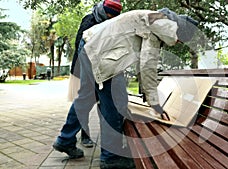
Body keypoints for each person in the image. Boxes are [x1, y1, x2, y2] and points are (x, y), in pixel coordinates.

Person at [74, 8, 199, 168]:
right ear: (178, 30)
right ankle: (110, 159)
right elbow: (147, 66)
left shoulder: (155, 19)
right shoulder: (158, 26)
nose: (177, 43)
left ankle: (76, 142)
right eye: (180, 40)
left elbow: (143, 64)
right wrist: (155, 103)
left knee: (115, 99)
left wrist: (149, 97)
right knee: (114, 106)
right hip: (99, 52)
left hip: (94, 46)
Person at [52, 0, 122, 159]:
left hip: (98, 64)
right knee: (100, 101)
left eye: (115, 15)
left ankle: (65, 139)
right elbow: (81, 45)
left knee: (85, 99)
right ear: (104, 10)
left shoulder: (111, 22)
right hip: (86, 65)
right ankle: (108, 153)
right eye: (110, 13)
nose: (111, 17)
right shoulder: (90, 20)